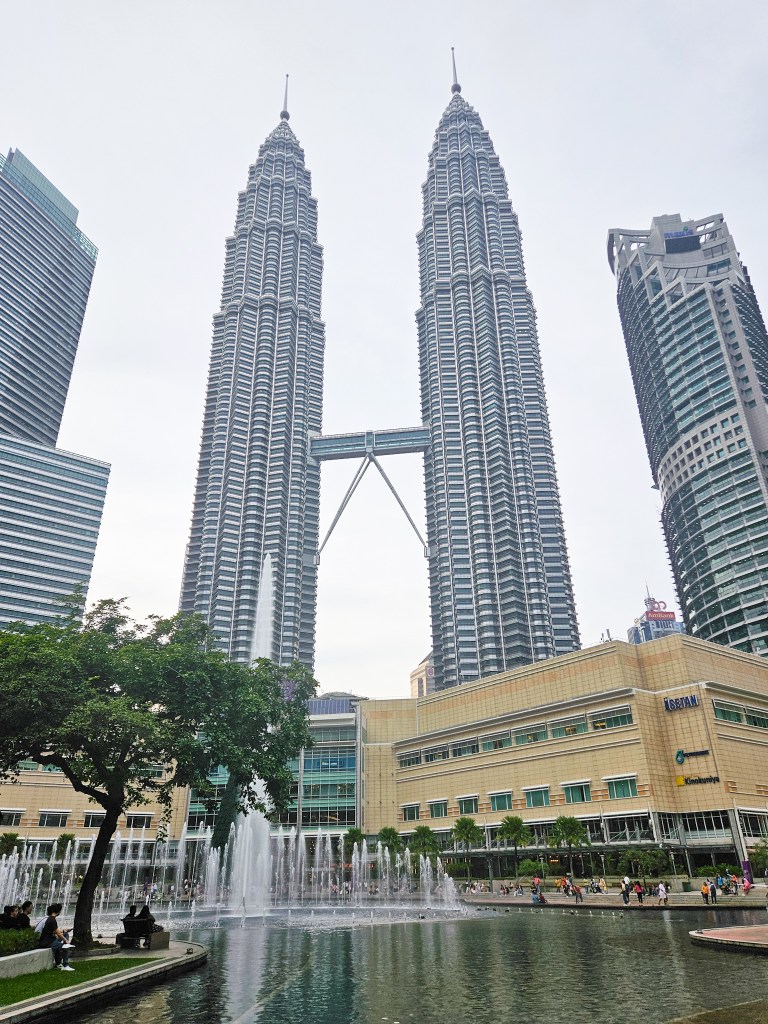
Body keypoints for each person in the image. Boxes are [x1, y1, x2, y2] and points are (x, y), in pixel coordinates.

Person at [38, 904, 74, 971]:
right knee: (65, 946)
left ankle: (58, 964)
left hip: (51, 940)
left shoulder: (51, 919)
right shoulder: (52, 920)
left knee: (65, 934)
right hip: (47, 942)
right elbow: (58, 933)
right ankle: (65, 965)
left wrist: (63, 934)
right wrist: (66, 941)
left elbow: (55, 932)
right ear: (58, 911)